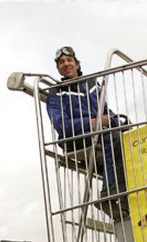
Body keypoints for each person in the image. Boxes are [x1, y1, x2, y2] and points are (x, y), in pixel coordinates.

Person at [47, 45, 128, 219]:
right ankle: (109, 194)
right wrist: (92, 123)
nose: (66, 64)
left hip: (99, 133)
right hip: (76, 138)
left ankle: (127, 201)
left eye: (69, 60)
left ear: (77, 64)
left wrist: (118, 120)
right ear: (58, 68)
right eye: (62, 62)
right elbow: (62, 125)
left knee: (128, 138)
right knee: (113, 138)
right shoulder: (56, 93)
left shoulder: (91, 84)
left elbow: (105, 110)